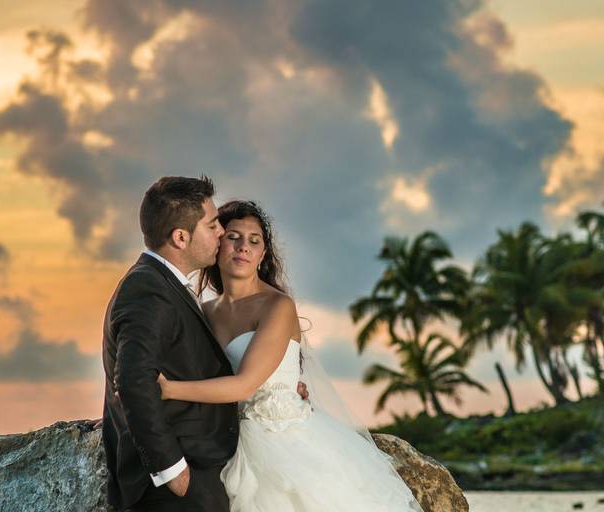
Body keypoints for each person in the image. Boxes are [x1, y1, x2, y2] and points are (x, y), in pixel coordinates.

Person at [157, 199, 422, 511]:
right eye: (233, 237)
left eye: (254, 241)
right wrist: (131, 407)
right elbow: (180, 369)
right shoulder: (203, 312)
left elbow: (245, 386)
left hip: (283, 442)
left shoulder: (277, 306)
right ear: (216, 243)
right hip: (224, 438)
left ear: (262, 254)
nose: (244, 247)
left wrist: (168, 390)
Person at [101, 176, 307, 511]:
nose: (224, 237)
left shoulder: (173, 291)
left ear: (263, 252)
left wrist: (284, 390)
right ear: (181, 237)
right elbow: (133, 378)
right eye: (217, 229)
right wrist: (172, 468)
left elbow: (175, 373)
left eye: (253, 241)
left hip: (269, 448)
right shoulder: (163, 294)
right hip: (196, 468)